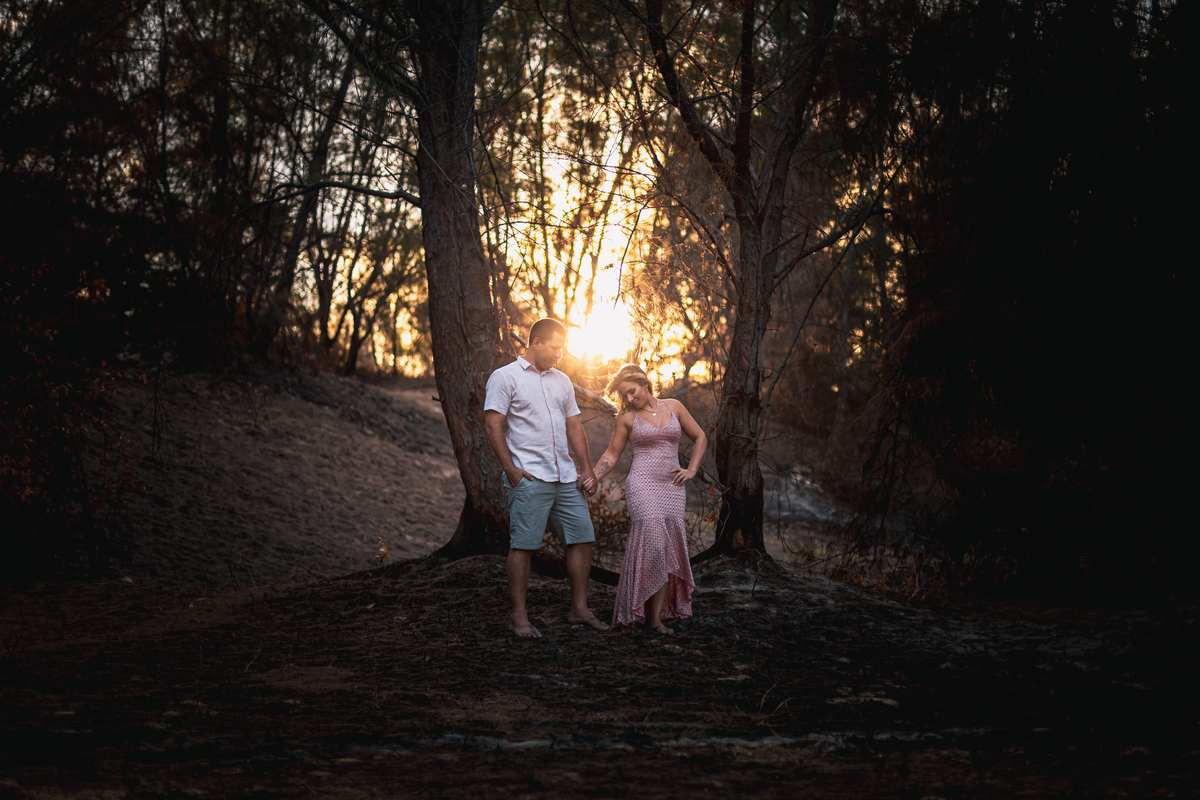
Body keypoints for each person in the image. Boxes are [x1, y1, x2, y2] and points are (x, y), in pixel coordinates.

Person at [484, 318, 609, 638]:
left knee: (583, 538)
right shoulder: (505, 377)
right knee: (523, 546)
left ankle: (579, 609)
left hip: (565, 477)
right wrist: (510, 469)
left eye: (562, 349)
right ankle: (519, 618)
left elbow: (574, 427)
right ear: (536, 343)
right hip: (529, 476)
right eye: (554, 348)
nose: (559, 355)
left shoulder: (562, 381)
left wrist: (587, 468)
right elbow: (493, 424)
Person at [592, 364, 706, 634]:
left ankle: (655, 619)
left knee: (666, 549)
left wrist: (692, 470)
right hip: (642, 485)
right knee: (653, 544)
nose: (629, 398)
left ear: (645, 384)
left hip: (672, 487)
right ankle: (633, 608)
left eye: (632, 391)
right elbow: (612, 453)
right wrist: (593, 477)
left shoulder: (674, 406)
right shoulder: (626, 417)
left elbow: (700, 436)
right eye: (625, 395)